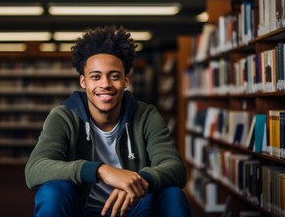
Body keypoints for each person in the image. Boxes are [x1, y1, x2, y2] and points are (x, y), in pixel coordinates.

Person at [25, 26, 191, 217]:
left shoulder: (146, 115)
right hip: (81, 211)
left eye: (114, 76)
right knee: (52, 191)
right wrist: (100, 171)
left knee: (172, 194)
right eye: (96, 77)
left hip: (133, 210)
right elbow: (35, 169)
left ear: (126, 81)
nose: (105, 84)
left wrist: (139, 181)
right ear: (83, 82)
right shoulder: (63, 116)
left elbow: (175, 167)